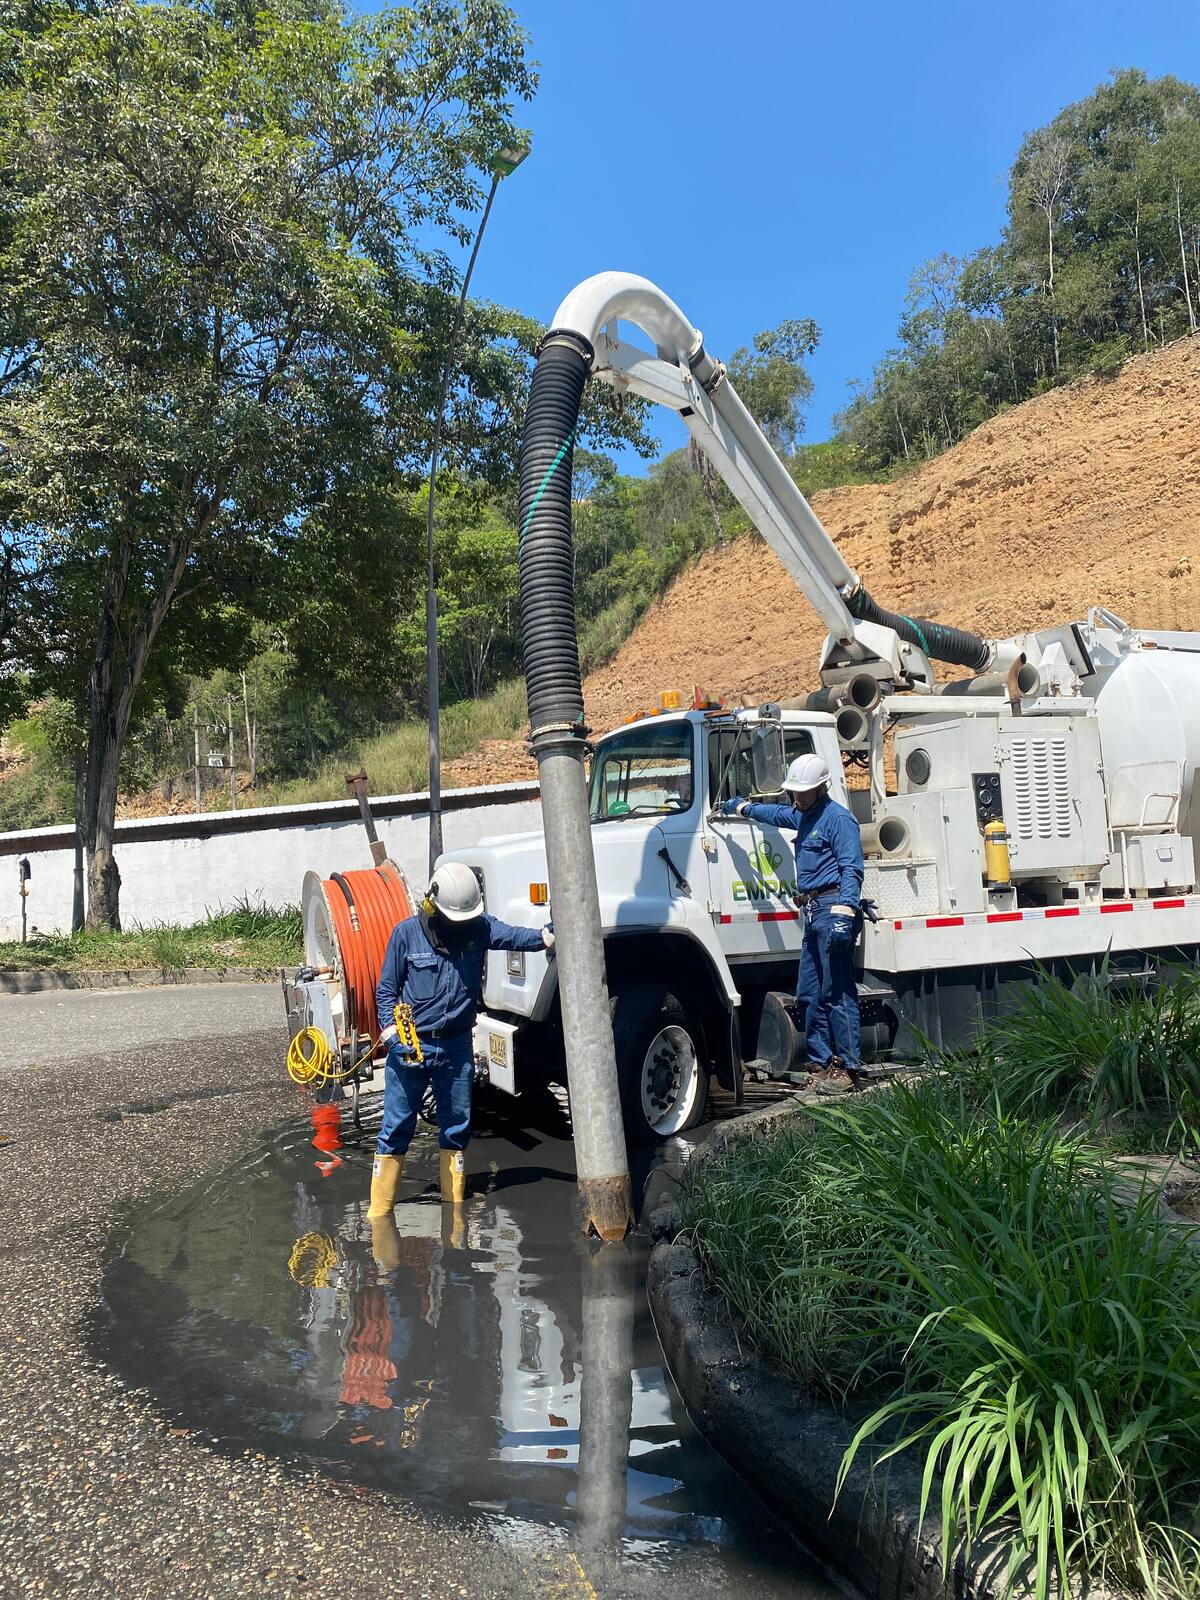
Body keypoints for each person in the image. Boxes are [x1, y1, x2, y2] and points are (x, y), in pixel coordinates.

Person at [367, 860, 554, 1217]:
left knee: (456, 1128)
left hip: (455, 1048)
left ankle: (454, 1216)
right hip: (412, 1046)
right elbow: (387, 992)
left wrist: (546, 935)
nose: (462, 926)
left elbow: (514, 936)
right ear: (432, 906)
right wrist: (393, 1038)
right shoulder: (406, 935)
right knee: (396, 1128)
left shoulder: (477, 928)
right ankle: (379, 1215)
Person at [718, 753, 864, 1092]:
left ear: (821, 787)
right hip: (813, 913)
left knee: (837, 991)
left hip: (832, 909)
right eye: (795, 792)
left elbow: (851, 869)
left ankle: (847, 1069)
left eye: (804, 791)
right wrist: (743, 809)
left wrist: (845, 912)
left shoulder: (838, 820)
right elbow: (777, 813)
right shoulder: (805, 815)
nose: (797, 797)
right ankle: (821, 1063)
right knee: (810, 993)